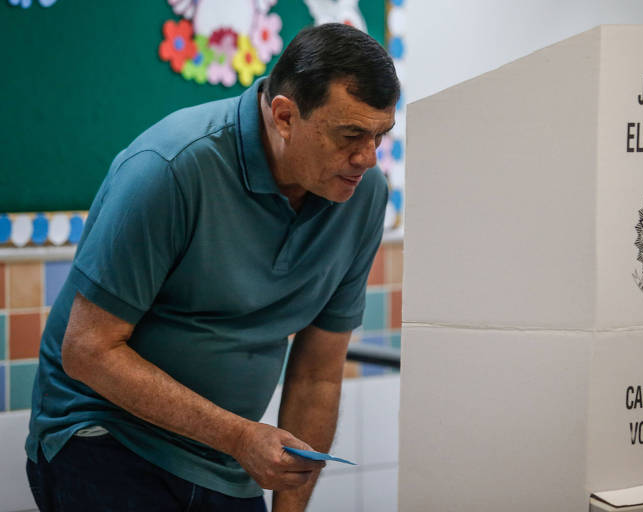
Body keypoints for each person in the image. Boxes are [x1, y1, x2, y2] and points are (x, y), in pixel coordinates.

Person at [25, 23, 399, 512]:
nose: (367, 158)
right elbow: (88, 350)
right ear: (284, 116)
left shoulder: (362, 195)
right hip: (103, 434)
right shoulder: (170, 167)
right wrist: (240, 437)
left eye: (380, 136)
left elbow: (317, 375)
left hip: (223, 457)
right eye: (351, 135)